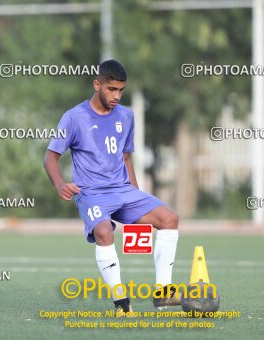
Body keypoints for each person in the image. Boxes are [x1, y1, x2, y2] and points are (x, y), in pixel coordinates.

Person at [44, 60, 180, 316]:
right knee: (104, 232)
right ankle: (121, 303)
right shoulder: (74, 118)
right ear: (97, 85)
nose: (116, 95)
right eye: (111, 89)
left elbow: (126, 158)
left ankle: (163, 294)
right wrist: (60, 184)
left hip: (123, 190)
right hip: (91, 194)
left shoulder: (127, 116)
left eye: (121, 90)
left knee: (169, 218)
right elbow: (50, 156)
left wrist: (137, 193)